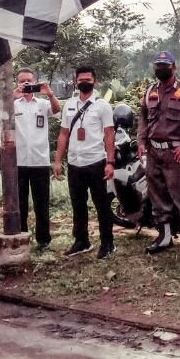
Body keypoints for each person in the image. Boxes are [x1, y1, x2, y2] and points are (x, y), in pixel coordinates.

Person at [139, 51, 180, 257]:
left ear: (174, 67)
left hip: (176, 154)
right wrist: (141, 141)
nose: (161, 69)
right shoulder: (150, 91)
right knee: (157, 195)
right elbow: (143, 119)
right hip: (153, 152)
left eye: (165, 66)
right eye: (158, 65)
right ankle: (164, 237)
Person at [53, 66, 117, 260]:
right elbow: (64, 133)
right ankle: (82, 241)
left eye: (88, 79)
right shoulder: (69, 105)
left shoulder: (102, 106)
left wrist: (110, 162)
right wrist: (57, 161)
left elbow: (109, 134)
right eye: (81, 79)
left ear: (94, 81)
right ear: (75, 82)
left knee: (101, 205)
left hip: (96, 161)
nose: (84, 82)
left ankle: (108, 243)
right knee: (78, 205)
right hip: (75, 163)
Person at [13, 68, 60, 251]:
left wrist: (50, 94)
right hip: (19, 162)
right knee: (20, 203)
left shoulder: (41, 103)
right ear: (17, 83)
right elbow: (1, 115)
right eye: (22, 81)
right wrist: (12, 97)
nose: (25, 84)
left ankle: (43, 240)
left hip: (40, 161)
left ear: (35, 82)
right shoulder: (13, 105)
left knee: (41, 203)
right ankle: (21, 237)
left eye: (28, 81)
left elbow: (56, 111)